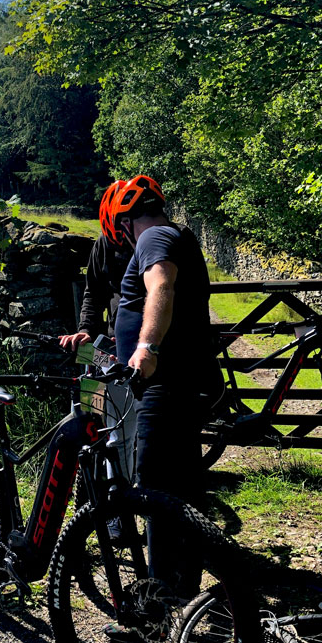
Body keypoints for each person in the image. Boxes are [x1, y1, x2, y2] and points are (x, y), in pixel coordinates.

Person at [104, 174, 223, 600]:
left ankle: (159, 603)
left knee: (154, 489)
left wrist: (146, 347)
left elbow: (161, 285)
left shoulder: (153, 236)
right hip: (181, 382)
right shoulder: (174, 234)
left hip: (163, 383)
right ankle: (184, 598)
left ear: (122, 221)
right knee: (182, 491)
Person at [59, 181, 134, 483]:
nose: (123, 244)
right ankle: (95, 481)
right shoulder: (104, 245)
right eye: (117, 239)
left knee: (133, 425)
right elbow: (93, 292)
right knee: (94, 409)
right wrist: (86, 330)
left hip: (149, 345)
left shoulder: (154, 242)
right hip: (113, 343)